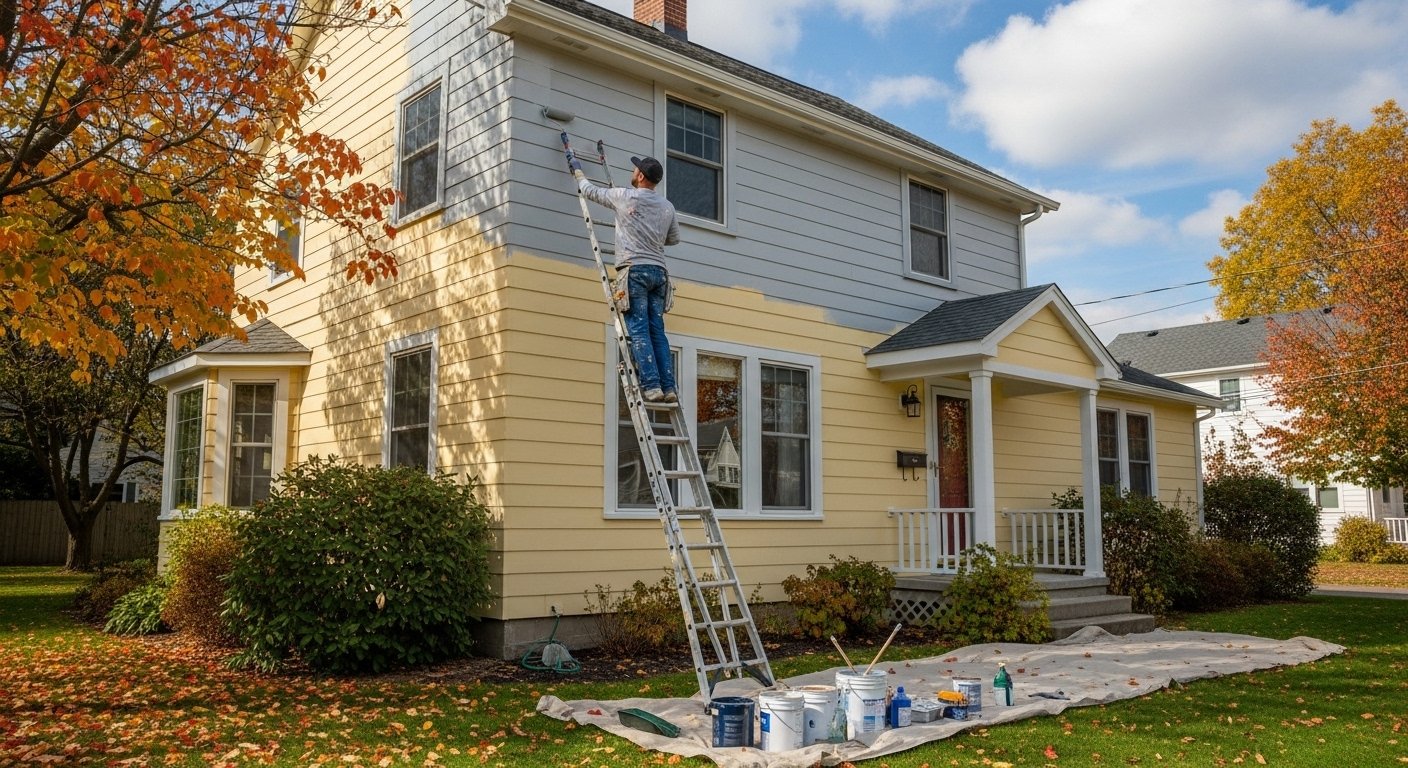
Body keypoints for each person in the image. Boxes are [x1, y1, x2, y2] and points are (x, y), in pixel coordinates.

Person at [568, 149, 681, 403]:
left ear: (640, 176)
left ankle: (652, 387)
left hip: (635, 271)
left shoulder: (625, 197)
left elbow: (589, 191)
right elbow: (673, 239)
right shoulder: (667, 207)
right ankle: (669, 387)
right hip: (659, 273)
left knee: (639, 328)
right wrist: (652, 233)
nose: (633, 171)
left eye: (635, 169)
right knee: (657, 330)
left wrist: (578, 171)